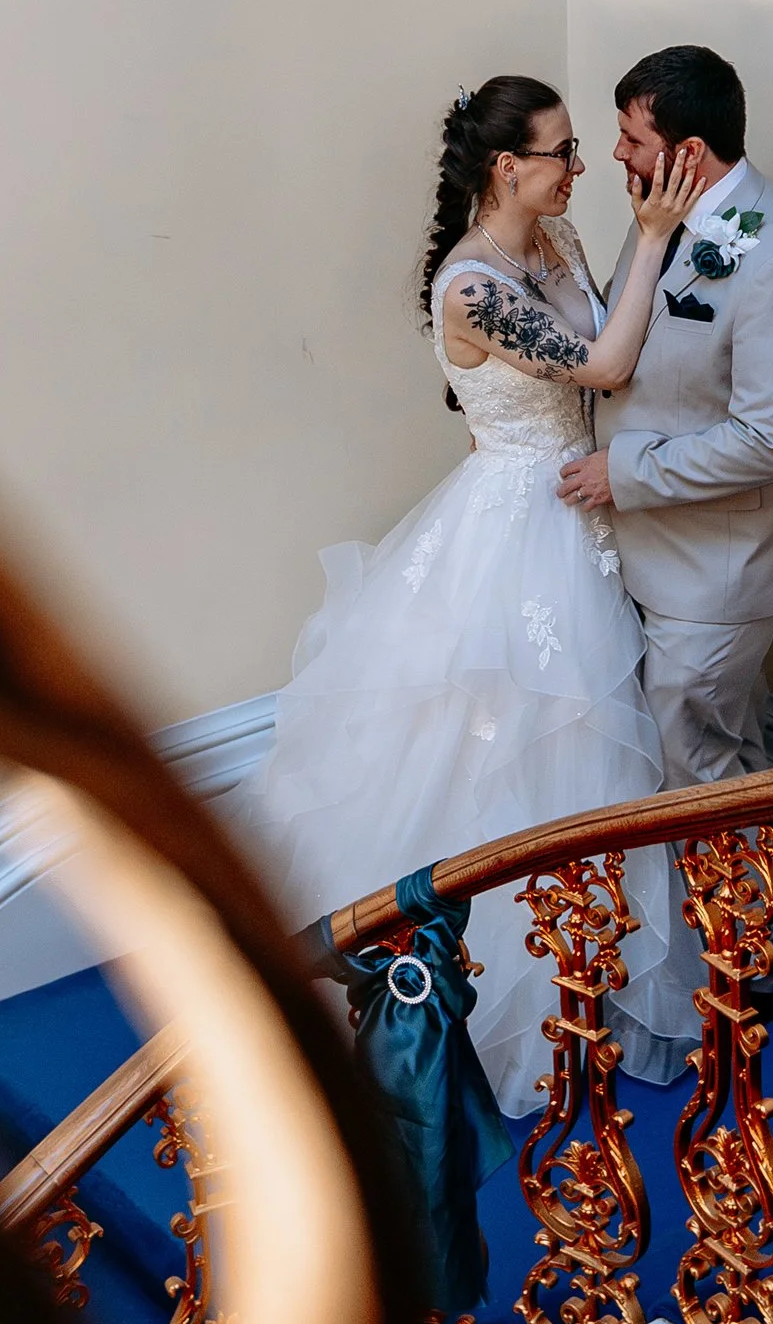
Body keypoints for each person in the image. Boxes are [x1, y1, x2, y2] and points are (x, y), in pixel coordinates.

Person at [240, 76, 703, 1117]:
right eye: (562, 152)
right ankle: (485, 995)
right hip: (514, 530)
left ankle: (585, 973)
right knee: (502, 744)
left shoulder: (559, 245)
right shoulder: (472, 289)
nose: (578, 168)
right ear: (507, 167)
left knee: (585, 754)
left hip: (579, 515)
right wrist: (656, 235)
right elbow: (603, 361)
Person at [557, 45, 773, 787]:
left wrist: (625, 474)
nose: (615, 153)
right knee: (722, 759)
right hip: (656, 552)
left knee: (694, 774)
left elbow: (770, 439)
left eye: (631, 140)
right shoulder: (658, 216)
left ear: (688, 152)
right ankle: (750, 905)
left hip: (718, 570)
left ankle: (726, 906)